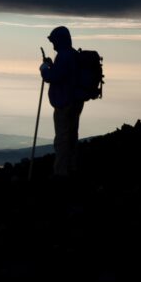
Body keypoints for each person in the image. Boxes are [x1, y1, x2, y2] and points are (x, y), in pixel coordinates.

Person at [39, 26, 84, 178]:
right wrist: (52, 66)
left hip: (64, 103)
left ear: (61, 40)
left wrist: (44, 69)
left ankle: (61, 172)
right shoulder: (72, 55)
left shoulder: (64, 56)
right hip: (75, 101)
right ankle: (72, 167)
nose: (53, 44)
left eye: (54, 41)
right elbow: (64, 74)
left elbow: (53, 77)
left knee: (62, 138)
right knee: (71, 135)